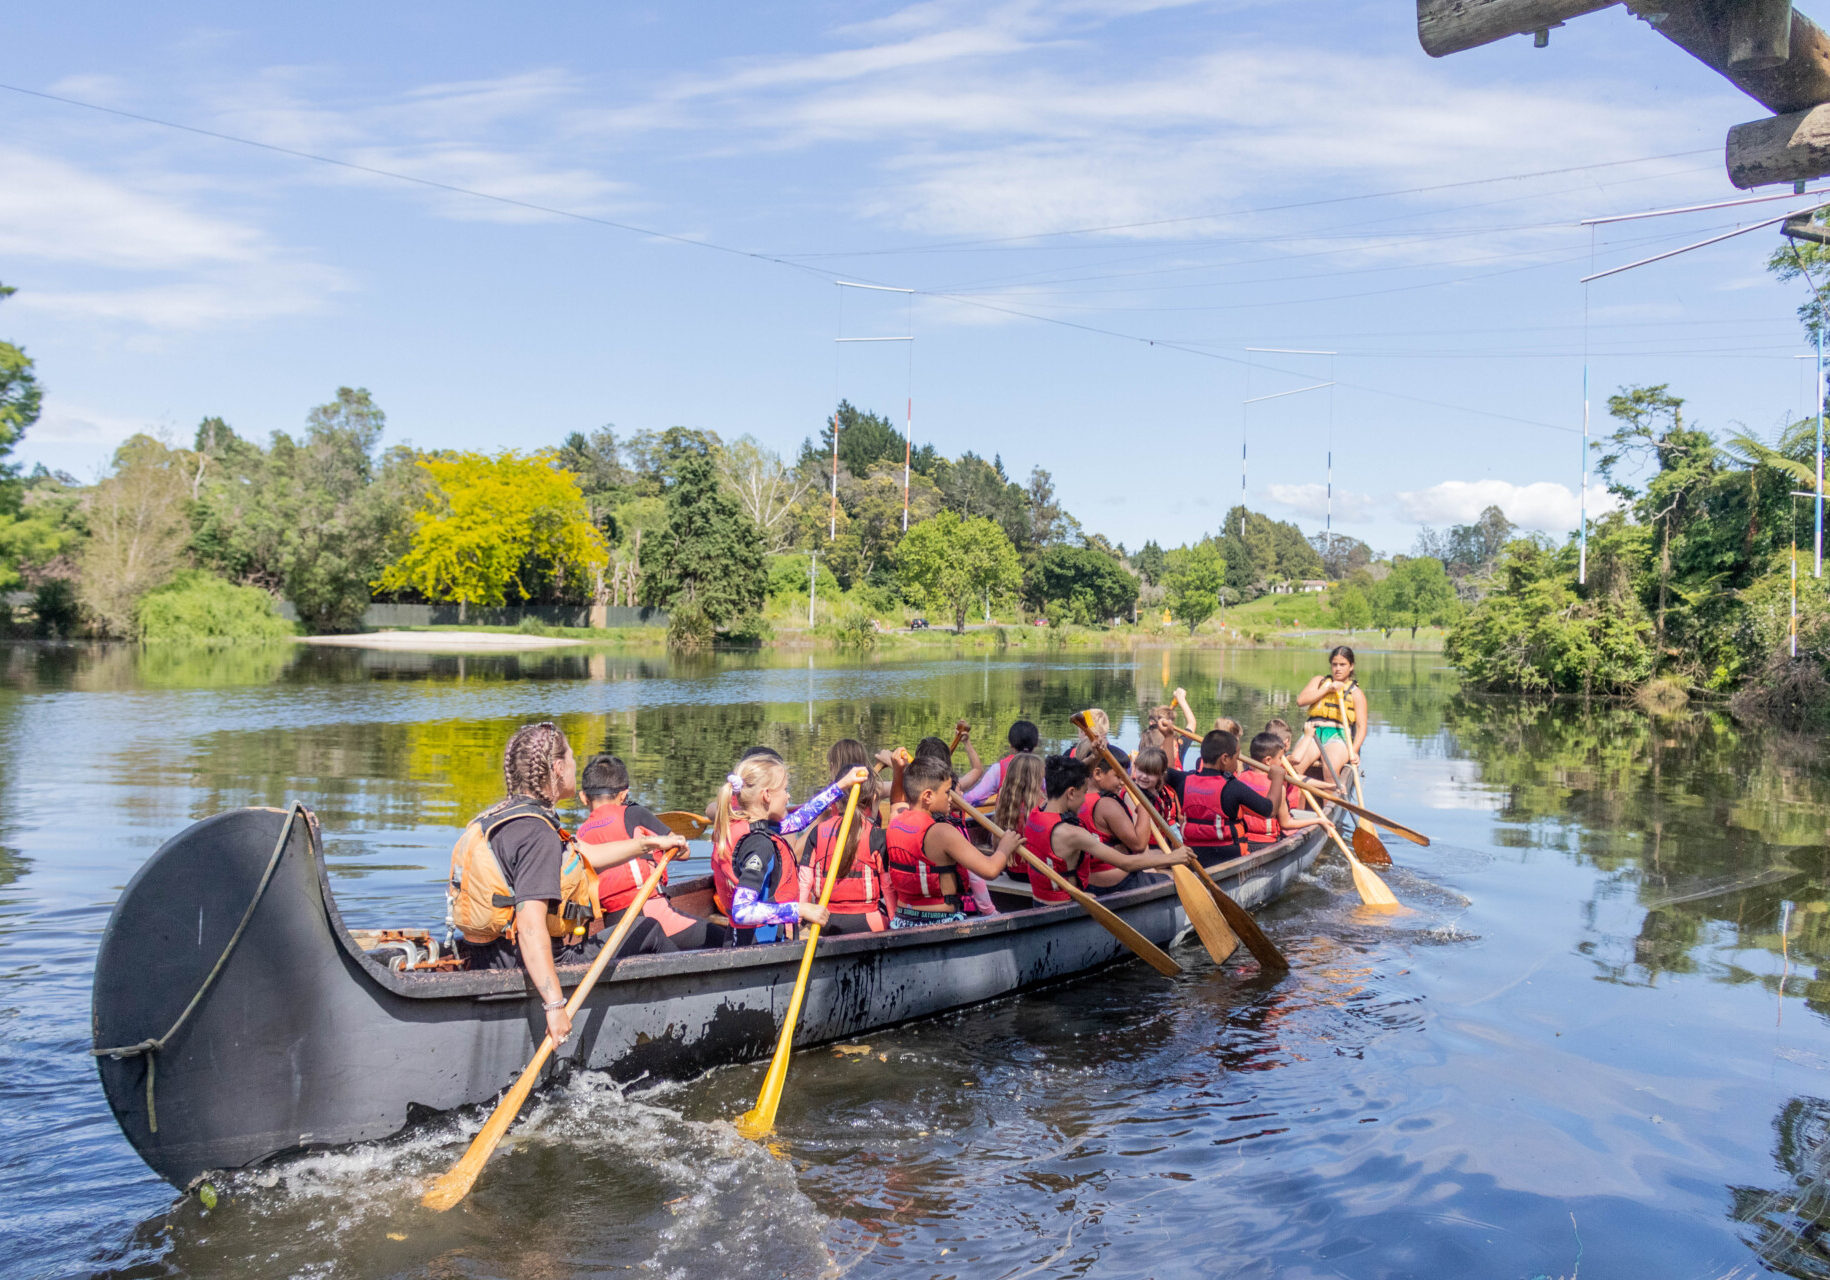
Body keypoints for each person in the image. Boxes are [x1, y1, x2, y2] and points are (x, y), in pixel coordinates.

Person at [446, 723, 680, 1048]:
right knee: (649, 930)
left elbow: (586, 855)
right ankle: (679, 1023)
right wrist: (555, 1006)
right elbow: (529, 926)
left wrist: (651, 844)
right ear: (557, 768)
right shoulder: (536, 833)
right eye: (571, 757)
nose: (574, 764)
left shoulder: (501, 818)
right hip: (536, 963)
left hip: (490, 956)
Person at [576, 754, 725, 950]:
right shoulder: (634, 813)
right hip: (650, 914)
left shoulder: (579, 836)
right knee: (727, 941)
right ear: (624, 795)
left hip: (614, 926)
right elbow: (684, 853)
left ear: (583, 797)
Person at [712, 754, 862, 946]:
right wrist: (799, 910)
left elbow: (798, 820)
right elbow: (742, 911)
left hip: (750, 941)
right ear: (766, 795)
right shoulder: (758, 844)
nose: (788, 796)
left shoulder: (751, 825)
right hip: (755, 947)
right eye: (785, 789)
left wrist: (841, 785)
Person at [1020, 754, 1192, 903]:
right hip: (1065, 907)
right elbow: (1126, 863)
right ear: (1071, 793)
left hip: (1041, 901)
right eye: (1083, 793)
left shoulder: (1036, 813)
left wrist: (1095, 755)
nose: (1083, 801)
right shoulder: (1073, 834)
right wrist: (1172, 858)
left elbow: (1072, 773)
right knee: (1172, 878)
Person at [885, 754, 1018, 927]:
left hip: (901, 920)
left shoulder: (895, 821)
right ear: (927, 796)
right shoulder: (943, 832)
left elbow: (896, 800)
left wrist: (898, 771)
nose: (951, 799)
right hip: (938, 923)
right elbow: (991, 871)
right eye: (947, 792)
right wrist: (1005, 848)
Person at [798, 740, 894, 934]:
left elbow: (798, 857)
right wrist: (894, 763)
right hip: (868, 910)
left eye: (830, 764)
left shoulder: (833, 798)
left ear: (835, 766)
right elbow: (912, 785)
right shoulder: (876, 790)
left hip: (829, 910)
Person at [1072, 740, 1191, 893]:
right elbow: (1140, 845)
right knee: (1172, 880)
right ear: (1097, 774)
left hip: (1092, 878)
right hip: (1117, 883)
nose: (1123, 782)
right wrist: (1143, 806)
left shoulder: (1076, 796)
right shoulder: (1106, 804)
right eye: (1118, 776)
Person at [1172, 729, 1274, 863]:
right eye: (1236, 758)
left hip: (1195, 860)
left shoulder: (1182, 780)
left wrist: (1168, 736)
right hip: (1230, 860)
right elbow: (1269, 810)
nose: (1238, 763)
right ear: (1225, 758)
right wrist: (1277, 779)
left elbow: (1166, 769)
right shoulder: (1233, 787)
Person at [1290, 645, 1368, 782]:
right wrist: (1327, 689)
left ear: (1351, 666)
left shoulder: (1356, 693)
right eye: (1334, 664)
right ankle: (1297, 803)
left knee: (1330, 769)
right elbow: (1301, 701)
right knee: (1296, 767)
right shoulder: (1319, 681)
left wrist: (1353, 751)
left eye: (1342, 664)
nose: (1338, 668)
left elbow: (1361, 727)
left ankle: (1329, 803)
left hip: (1338, 736)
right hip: (1313, 733)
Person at [1235, 732, 1326, 847]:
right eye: (1280, 758)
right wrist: (1318, 820)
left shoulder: (1238, 778)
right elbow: (1286, 823)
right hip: (1266, 843)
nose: (1283, 762)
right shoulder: (1277, 788)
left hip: (1240, 840)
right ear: (1268, 761)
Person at [991, 751, 1046, 883]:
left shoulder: (1003, 800)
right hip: (1036, 873)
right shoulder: (1042, 805)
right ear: (1036, 779)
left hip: (1011, 870)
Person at [961, 719, 1041, 806]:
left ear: (1010, 745)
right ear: (1036, 745)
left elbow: (972, 799)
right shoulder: (1044, 771)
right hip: (1035, 817)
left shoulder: (997, 770)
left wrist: (955, 794)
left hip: (1005, 817)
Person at [1131, 744, 1183, 842]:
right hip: (1145, 848)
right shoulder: (1132, 793)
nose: (1144, 776)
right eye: (1141, 770)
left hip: (1161, 844)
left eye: (1150, 773)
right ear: (1135, 767)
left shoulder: (1162, 792)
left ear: (1161, 774)